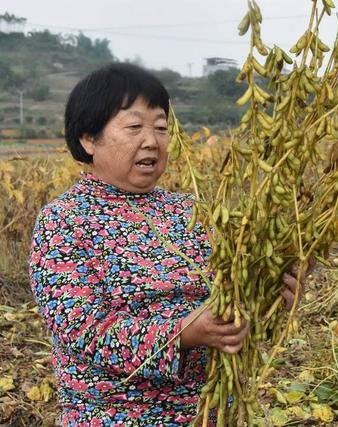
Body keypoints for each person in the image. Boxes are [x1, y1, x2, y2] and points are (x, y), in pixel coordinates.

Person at [28, 62, 313, 426]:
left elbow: (231, 313)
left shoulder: (192, 212)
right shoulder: (64, 220)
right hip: (114, 415)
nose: (151, 140)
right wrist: (182, 333)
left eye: (161, 128)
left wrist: (273, 302)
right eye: (133, 127)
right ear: (88, 138)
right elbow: (83, 328)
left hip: (210, 412)